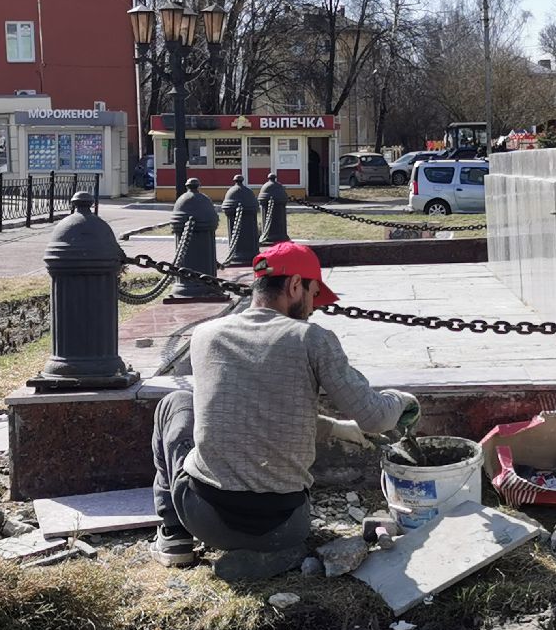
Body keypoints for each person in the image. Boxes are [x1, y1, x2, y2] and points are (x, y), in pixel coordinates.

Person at [149, 241, 420, 579]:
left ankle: (175, 536)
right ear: (295, 285)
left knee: (174, 404)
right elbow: (376, 417)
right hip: (287, 526)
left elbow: (243, 413)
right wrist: (402, 400)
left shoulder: (205, 335)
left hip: (206, 519)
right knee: (179, 403)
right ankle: (277, 554)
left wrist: (337, 428)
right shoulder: (311, 339)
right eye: (313, 295)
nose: (312, 308)